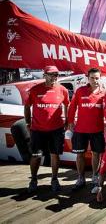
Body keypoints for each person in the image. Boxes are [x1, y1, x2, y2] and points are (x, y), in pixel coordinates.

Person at [25, 65, 69, 193]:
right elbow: (27, 106)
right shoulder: (34, 90)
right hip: (38, 130)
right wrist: (28, 123)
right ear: (44, 76)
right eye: (51, 74)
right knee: (36, 155)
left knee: (55, 155)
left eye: (56, 74)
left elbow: (68, 105)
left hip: (56, 129)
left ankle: (54, 179)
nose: (54, 77)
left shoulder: (63, 90)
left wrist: (67, 120)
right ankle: (33, 180)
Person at [68, 67, 106, 191]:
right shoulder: (80, 91)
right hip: (80, 130)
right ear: (87, 78)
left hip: (97, 130)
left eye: (97, 78)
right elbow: (72, 107)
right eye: (92, 78)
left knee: (96, 154)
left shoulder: (104, 93)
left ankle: (95, 177)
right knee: (80, 155)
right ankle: (80, 178)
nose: (94, 80)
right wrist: (70, 122)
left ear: (100, 78)